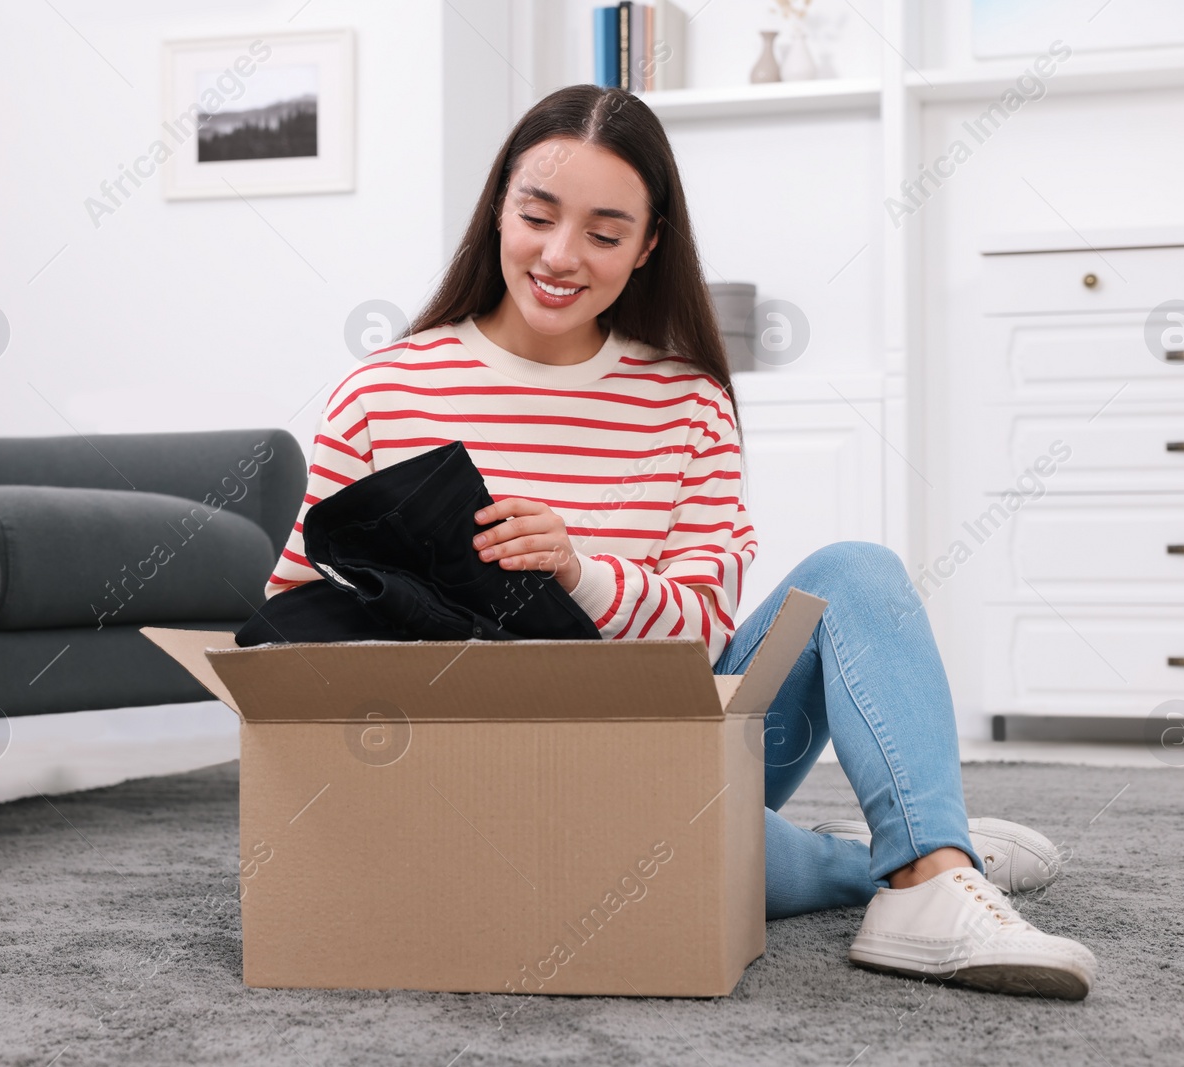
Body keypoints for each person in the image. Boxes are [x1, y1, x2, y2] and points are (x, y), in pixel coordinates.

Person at [264, 84, 1096, 1000]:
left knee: (858, 571)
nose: (559, 255)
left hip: (672, 753)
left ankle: (930, 876)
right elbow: (292, 624)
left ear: (650, 244)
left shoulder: (686, 400)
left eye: (604, 233)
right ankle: (910, 856)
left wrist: (579, 572)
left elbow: (705, 636)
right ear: (499, 204)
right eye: (536, 215)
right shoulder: (386, 391)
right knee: (650, 845)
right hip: (464, 773)